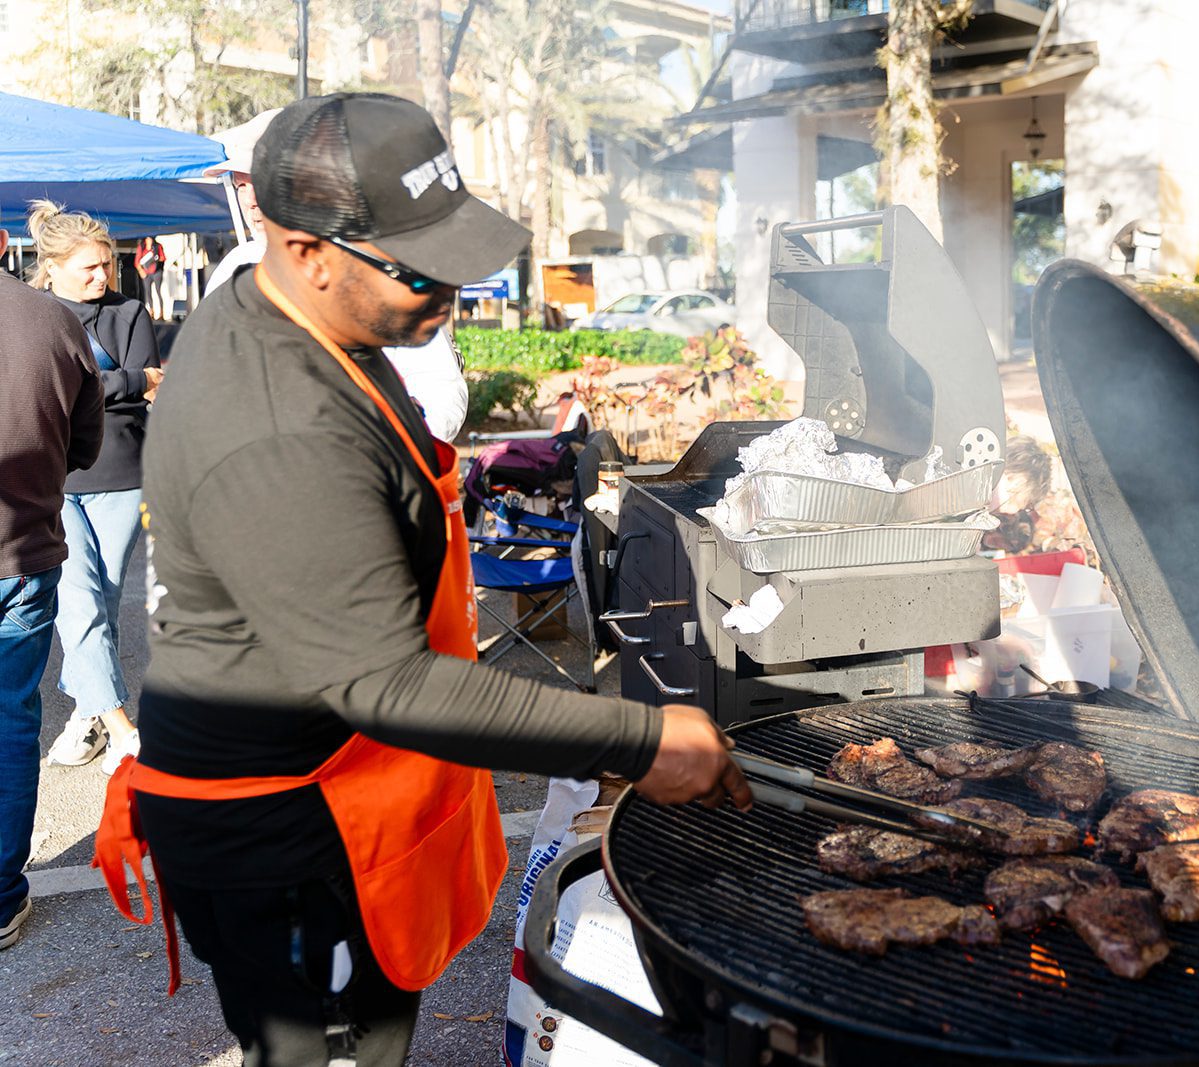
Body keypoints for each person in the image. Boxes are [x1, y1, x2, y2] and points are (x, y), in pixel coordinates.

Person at [93, 94, 748, 1066]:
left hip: (349, 774)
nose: (448, 292)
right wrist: (639, 738)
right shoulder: (277, 422)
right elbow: (385, 681)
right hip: (282, 824)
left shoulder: (304, 319)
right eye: (419, 269)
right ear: (306, 250)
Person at [204, 108, 469, 441]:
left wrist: (397, 446)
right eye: (241, 185)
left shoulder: (376, 267)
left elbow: (438, 387)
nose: (251, 200)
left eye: (262, 183)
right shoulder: (233, 270)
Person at [28, 201, 161, 775]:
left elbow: (147, 385)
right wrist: (126, 382)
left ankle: (86, 715)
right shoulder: (32, 312)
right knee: (78, 599)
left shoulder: (130, 312)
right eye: (88, 267)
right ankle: (123, 729)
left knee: (102, 599)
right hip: (54, 475)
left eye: (107, 264)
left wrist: (103, 383)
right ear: (52, 267)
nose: (102, 275)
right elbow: (49, 388)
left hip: (123, 475)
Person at [0, 225, 105, 950]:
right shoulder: (55, 320)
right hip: (24, 549)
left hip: (25, 550)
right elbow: (84, 443)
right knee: (9, 722)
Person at [135, 236, 166, 320]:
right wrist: (141, 271)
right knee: (147, 292)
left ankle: (161, 312)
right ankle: (151, 312)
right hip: (146, 273)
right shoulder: (141, 247)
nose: (149, 240)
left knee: (158, 291)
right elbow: (137, 262)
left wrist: (156, 259)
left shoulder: (157, 246)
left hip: (157, 272)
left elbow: (163, 257)